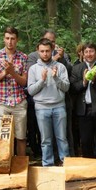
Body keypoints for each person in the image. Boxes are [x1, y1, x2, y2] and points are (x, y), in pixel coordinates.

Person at [0, 26, 28, 156]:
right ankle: (0, 164)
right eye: (7, 38)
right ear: (3, 39)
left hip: (18, 102)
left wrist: (13, 72)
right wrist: (5, 73)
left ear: (17, 40)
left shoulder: (23, 57)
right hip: (1, 102)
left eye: (13, 39)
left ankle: (20, 167)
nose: (10, 42)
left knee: (20, 137)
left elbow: (24, 82)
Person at [28, 38, 70, 166]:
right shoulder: (33, 69)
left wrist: (56, 77)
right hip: (41, 108)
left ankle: (66, 163)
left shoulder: (60, 67)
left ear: (52, 50)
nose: (45, 54)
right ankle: (47, 164)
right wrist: (42, 80)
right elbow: (30, 91)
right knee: (45, 140)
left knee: (62, 138)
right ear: (38, 51)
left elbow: (66, 87)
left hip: (59, 106)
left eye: (47, 51)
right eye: (42, 51)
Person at [70, 42, 96, 159]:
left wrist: (95, 80)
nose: (89, 54)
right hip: (84, 109)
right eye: (86, 52)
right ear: (82, 54)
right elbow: (72, 88)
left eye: (91, 51)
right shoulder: (77, 68)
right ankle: (89, 165)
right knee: (85, 140)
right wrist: (83, 82)